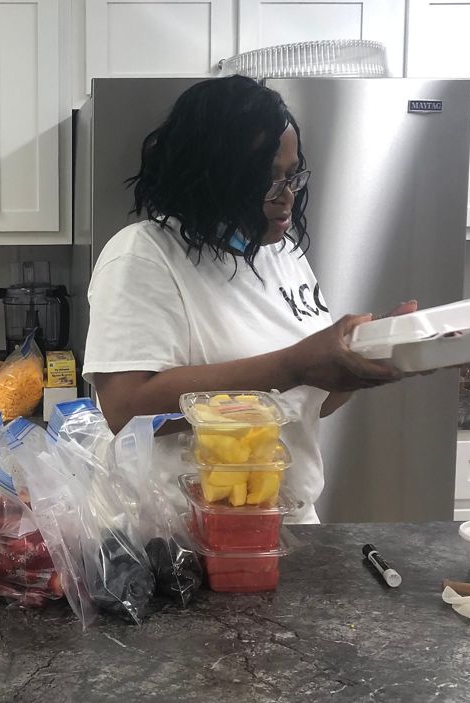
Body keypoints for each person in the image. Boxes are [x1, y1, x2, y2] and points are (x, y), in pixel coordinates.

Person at [82, 76, 416, 524]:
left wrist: (365, 359)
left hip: (288, 522)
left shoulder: (283, 254)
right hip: (185, 536)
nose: (287, 196)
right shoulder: (143, 254)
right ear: (209, 174)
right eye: (266, 179)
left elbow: (310, 403)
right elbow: (125, 408)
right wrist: (294, 364)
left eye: (291, 175)